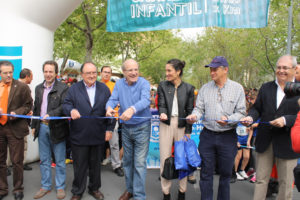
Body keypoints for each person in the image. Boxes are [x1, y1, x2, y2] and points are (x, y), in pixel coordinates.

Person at [186, 56, 246, 200]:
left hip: (228, 136)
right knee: (206, 173)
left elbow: (241, 112)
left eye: (215, 69)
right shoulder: (205, 89)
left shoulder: (237, 88)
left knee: (225, 174)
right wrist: (194, 116)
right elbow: (199, 109)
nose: (212, 72)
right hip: (207, 136)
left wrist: (229, 119)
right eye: (210, 69)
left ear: (225, 70)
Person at [241, 55, 300, 200]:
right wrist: (251, 117)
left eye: (285, 68)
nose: (281, 71)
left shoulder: (298, 89)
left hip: (288, 143)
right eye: (279, 67)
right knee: (261, 181)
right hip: (264, 141)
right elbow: (257, 109)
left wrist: (286, 120)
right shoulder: (266, 87)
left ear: (294, 69)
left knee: (286, 184)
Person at [63, 62, 115, 200]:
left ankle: (94, 188)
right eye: (88, 73)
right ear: (82, 74)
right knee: (79, 166)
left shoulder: (104, 89)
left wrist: (110, 128)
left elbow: (111, 108)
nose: (92, 76)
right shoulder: (74, 89)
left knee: (95, 165)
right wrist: (71, 110)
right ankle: (77, 191)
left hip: (98, 133)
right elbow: (66, 104)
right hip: (79, 134)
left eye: (94, 73)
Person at [106, 59, 151, 200]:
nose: (133, 72)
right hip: (126, 128)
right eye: (130, 70)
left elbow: (145, 100)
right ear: (124, 72)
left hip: (142, 127)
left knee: (139, 163)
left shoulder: (144, 83)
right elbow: (113, 99)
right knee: (127, 162)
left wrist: (132, 109)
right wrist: (109, 107)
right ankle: (130, 190)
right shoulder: (119, 84)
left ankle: (139, 196)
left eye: (135, 69)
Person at [31, 61, 69, 199]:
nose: (48, 74)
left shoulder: (63, 88)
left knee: (59, 160)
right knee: (44, 159)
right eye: (46, 71)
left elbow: (64, 107)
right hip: (41, 127)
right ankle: (45, 186)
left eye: (50, 72)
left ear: (56, 73)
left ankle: (60, 187)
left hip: (57, 128)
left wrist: (51, 115)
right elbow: (36, 108)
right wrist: (34, 126)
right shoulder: (38, 88)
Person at [157, 59, 194, 200]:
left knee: (182, 160)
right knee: (165, 159)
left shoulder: (189, 88)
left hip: (182, 125)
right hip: (166, 124)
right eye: (166, 70)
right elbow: (161, 104)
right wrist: (162, 112)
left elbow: (190, 111)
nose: (166, 74)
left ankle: (182, 192)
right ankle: (166, 193)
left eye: (169, 71)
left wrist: (188, 131)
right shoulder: (162, 85)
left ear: (178, 72)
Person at [0, 61, 33, 200]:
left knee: (17, 161)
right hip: (0, 129)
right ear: (0, 73)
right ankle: (2, 188)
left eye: (10, 72)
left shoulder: (22, 87)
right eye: (5, 73)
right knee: (1, 161)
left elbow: (28, 105)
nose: (8, 75)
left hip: (15, 127)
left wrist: (16, 112)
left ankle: (18, 189)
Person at [100, 66, 124, 177]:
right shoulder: (95, 85)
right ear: (100, 73)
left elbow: (119, 101)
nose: (107, 74)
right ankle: (95, 164)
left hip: (112, 118)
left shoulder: (115, 86)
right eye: (105, 72)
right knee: (96, 143)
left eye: (109, 73)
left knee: (114, 143)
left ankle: (116, 165)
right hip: (98, 119)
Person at [18, 68, 33, 171]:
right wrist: (26, 111)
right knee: (20, 144)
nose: (32, 79)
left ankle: (21, 163)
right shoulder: (20, 87)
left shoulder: (23, 87)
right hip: (19, 122)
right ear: (27, 76)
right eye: (31, 76)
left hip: (23, 120)